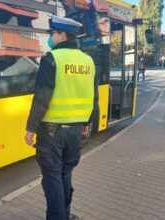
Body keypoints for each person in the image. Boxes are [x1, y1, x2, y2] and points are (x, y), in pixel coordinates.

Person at [25, 15, 98, 220]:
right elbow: (94, 98)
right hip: (75, 132)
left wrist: (30, 129)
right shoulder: (88, 61)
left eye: (52, 34)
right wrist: (86, 124)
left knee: (52, 179)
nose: (51, 38)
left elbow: (41, 98)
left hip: (52, 133)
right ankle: (64, 215)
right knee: (65, 174)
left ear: (62, 35)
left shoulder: (52, 59)